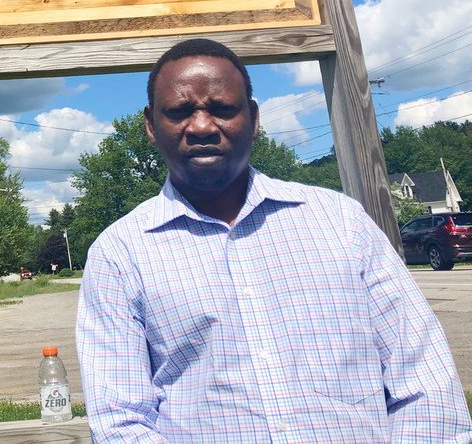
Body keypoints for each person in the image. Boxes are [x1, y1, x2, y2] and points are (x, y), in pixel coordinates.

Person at [76, 38, 472, 442]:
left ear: (253, 117)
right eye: (179, 112)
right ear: (150, 124)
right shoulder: (120, 253)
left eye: (222, 108)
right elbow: (120, 420)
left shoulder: (340, 222)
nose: (200, 126)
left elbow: (424, 377)